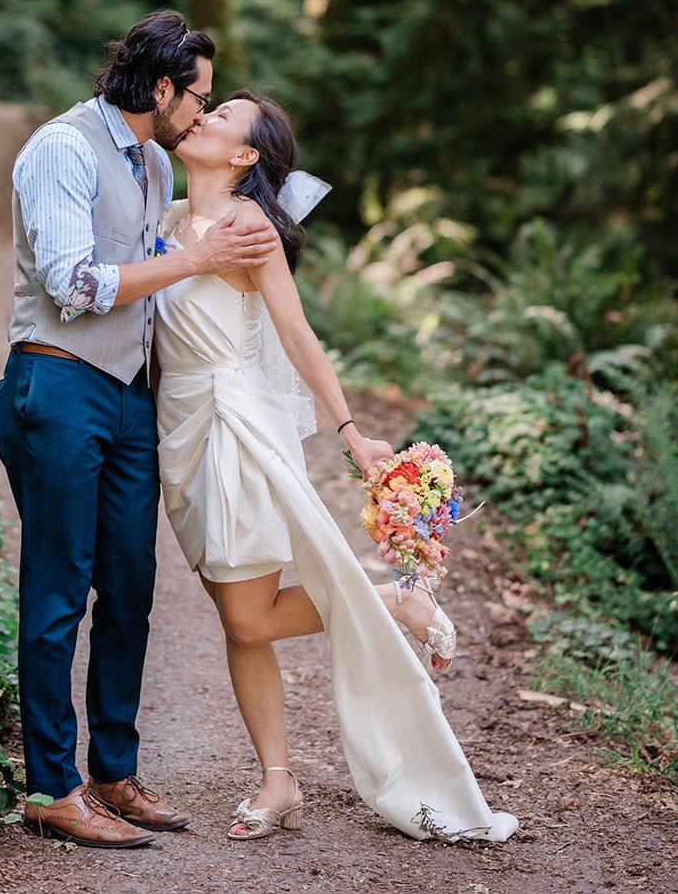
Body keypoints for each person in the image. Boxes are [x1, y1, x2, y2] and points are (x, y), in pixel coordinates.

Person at [155, 90, 518, 844]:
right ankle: (279, 781)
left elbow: (297, 335)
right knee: (243, 621)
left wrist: (353, 434)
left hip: (234, 429)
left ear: (245, 156)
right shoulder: (166, 223)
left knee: (245, 614)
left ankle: (390, 602)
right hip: (182, 430)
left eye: (222, 116)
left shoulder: (247, 225)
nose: (205, 117)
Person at [0, 12, 279, 849]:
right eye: (200, 98)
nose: (203, 113)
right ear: (161, 89)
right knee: (57, 590)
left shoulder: (154, 160)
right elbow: (76, 283)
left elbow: (192, 227)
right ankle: (51, 784)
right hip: (58, 384)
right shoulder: (62, 150)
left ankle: (114, 772)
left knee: (130, 590)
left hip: (131, 398)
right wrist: (195, 260)